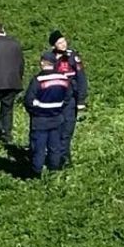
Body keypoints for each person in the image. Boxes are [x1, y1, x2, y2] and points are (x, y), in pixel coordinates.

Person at [23, 51, 73, 175]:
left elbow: (28, 100)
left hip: (40, 120)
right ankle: (54, 171)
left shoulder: (38, 79)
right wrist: (59, 107)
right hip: (57, 118)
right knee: (55, 147)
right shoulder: (64, 78)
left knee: (38, 148)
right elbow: (68, 97)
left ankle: (36, 173)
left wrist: (34, 111)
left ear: (42, 63)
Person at [49, 30, 89, 163]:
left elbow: (81, 78)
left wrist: (81, 99)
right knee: (56, 129)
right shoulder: (50, 58)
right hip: (54, 99)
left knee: (67, 129)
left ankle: (65, 158)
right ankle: (55, 157)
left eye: (64, 41)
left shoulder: (73, 57)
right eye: (60, 42)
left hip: (70, 99)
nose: (63, 44)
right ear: (54, 45)